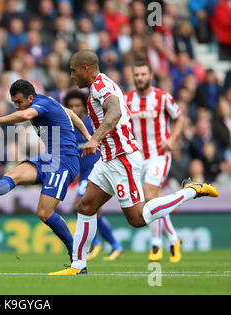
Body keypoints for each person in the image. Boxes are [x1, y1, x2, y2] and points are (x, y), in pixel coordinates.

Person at [50, 50, 218, 275]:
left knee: (137, 219)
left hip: (122, 159)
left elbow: (115, 112)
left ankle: (190, 191)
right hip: (108, 159)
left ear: (86, 68)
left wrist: (94, 138)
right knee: (86, 206)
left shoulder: (101, 86)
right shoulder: (99, 86)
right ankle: (78, 266)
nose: (71, 75)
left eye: (73, 70)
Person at [0, 79, 92, 262]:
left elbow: (25, 116)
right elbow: (70, 113)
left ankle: (76, 253)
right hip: (48, 158)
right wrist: (88, 137)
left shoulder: (41, 105)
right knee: (11, 176)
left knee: (44, 213)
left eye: (19, 102)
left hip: (64, 162)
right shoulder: (48, 102)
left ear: (31, 97)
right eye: (13, 102)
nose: (16, 106)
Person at [124, 61, 186, 263]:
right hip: (137, 158)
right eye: (136, 74)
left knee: (150, 197)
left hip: (159, 155)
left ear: (151, 75)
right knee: (150, 203)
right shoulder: (127, 100)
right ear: (133, 77)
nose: (139, 78)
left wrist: (172, 140)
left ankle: (156, 244)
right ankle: (174, 240)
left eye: (143, 74)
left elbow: (180, 118)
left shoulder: (162, 97)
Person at [63, 89, 123, 261]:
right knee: (92, 209)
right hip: (83, 175)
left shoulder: (92, 124)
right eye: (70, 106)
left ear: (84, 107)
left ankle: (96, 243)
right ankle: (114, 245)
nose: (74, 109)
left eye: (77, 105)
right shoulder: (68, 128)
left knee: (80, 204)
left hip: (96, 170)